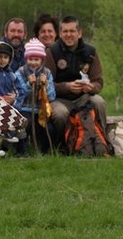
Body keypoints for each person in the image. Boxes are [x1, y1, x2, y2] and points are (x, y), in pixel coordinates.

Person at [44, 15, 107, 151]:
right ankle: (61, 147)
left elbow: (99, 82)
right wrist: (66, 87)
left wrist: (91, 87)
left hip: (83, 97)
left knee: (99, 102)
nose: (68, 35)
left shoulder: (91, 52)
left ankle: (102, 143)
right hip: (59, 98)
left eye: (72, 31)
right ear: (60, 33)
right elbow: (47, 84)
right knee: (60, 114)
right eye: (65, 31)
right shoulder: (52, 52)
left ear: (79, 33)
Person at [14, 38, 58, 155]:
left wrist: (46, 85)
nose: (33, 62)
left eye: (36, 59)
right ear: (26, 58)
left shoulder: (47, 73)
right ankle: (21, 151)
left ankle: (45, 151)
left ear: (42, 60)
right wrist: (29, 84)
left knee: (50, 128)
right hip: (24, 108)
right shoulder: (20, 72)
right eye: (30, 59)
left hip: (41, 110)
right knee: (25, 125)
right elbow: (19, 93)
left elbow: (52, 96)